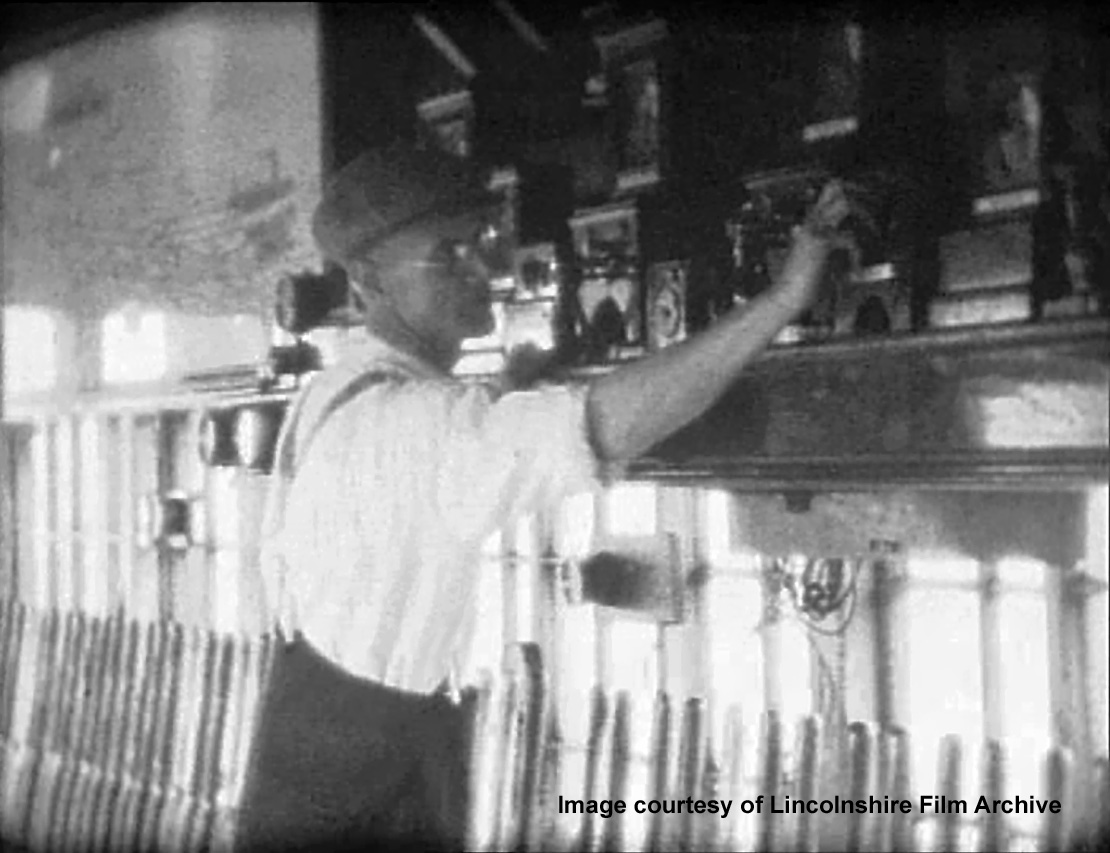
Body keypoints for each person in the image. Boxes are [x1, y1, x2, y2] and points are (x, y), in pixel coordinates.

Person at [235, 140, 851, 852]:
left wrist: (511, 385)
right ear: (367, 280)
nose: (481, 270)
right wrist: (781, 301)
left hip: (322, 741)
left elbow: (436, 452)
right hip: (360, 786)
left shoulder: (338, 389)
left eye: (481, 242)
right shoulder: (411, 426)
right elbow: (603, 427)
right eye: (447, 253)